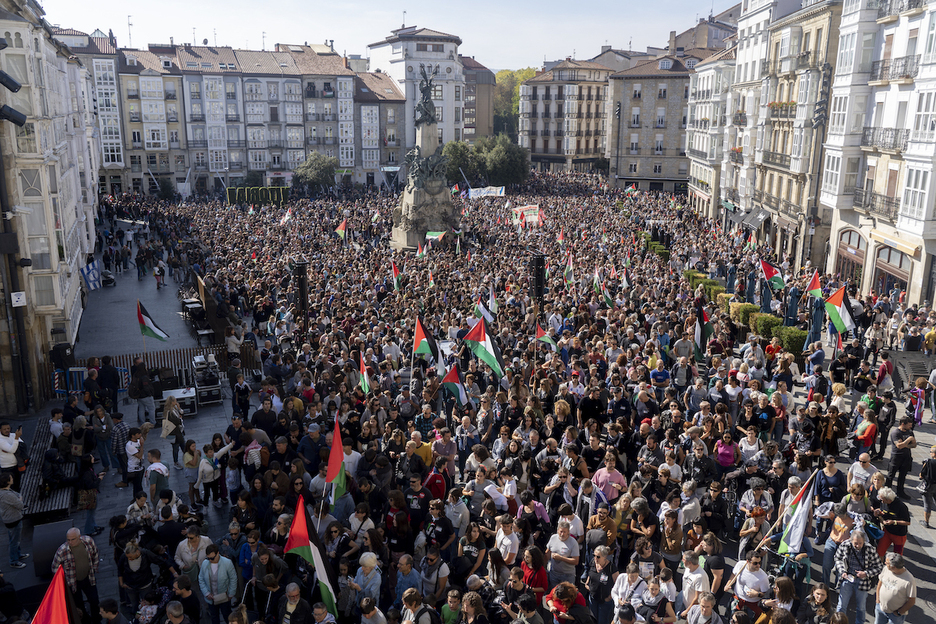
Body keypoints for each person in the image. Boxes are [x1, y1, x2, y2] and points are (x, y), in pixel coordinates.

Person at [833, 529, 883, 624]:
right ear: (850, 540)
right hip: (847, 578)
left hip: (863, 581)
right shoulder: (845, 545)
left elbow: (879, 566)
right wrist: (842, 571)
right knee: (841, 605)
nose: (858, 546)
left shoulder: (870, 549)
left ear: (864, 541)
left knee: (861, 607)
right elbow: (837, 558)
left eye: (860, 543)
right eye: (855, 543)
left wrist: (866, 573)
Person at [52, 528, 101, 624]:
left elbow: (95, 554)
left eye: (73, 539)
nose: (70, 542)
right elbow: (54, 568)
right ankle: (86, 621)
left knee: (94, 600)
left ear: (79, 537)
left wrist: (94, 567)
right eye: (68, 539)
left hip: (88, 578)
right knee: (78, 604)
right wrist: (64, 582)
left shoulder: (88, 541)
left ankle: (97, 620)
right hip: (73, 583)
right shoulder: (62, 551)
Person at [198, 544, 237, 624]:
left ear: (218, 553)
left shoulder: (227, 563)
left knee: (228, 616)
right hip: (211, 598)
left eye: (212, 558)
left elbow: (233, 579)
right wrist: (206, 593)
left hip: (224, 597)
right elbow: (201, 578)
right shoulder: (205, 563)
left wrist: (231, 593)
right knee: (214, 618)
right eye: (208, 558)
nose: (210, 560)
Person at [725, 550, 769, 618]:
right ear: (748, 561)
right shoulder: (740, 565)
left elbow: (767, 594)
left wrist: (757, 594)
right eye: (755, 563)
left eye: (760, 562)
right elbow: (734, 575)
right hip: (737, 598)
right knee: (732, 619)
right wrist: (728, 584)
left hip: (752, 604)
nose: (758, 565)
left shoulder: (763, 577)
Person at [875, 553, 916, 624]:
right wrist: (878, 600)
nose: (885, 563)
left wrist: (899, 612)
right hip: (880, 608)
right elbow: (880, 584)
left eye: (887, 563)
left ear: (893, 567)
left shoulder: (909, 580)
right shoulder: (886, 569)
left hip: (895, 615)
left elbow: (911, 601)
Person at [874, 487, 911, 558]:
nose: (881, 501)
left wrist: (894, 522)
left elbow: (907, 522)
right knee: (879, 552)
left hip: (899, 535)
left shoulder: (901, 506)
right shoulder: (883, 502)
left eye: (882, 499)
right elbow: (883, 512)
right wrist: (879, 514)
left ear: (888, 500)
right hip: (887, 532)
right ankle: (880, 567)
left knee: (896, 557)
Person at [0, 473, 26, 569]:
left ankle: (18, 555)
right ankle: (14, 561)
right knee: (14, 541)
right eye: (10, 478)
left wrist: (18, 499)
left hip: (9, 519)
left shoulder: (5, 491)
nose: (12, 478)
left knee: (15, 539)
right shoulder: (7, 495)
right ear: (7, 482)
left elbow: (17, 495)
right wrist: (20, 500)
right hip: (13, 519)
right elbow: (20, 505)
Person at [886, 418, 916, 498]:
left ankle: (900, 492)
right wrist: (909, 439)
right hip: (896, 456)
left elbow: (914, 445)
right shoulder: (895, 433)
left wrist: (904, 443)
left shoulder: (910, 432)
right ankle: (887, 492)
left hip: (906, 456)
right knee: (891, 475)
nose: (911, 426)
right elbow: (898, 446)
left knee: (903, 475)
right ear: (903, 424)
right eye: (909, 425)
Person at [545, 519, 580, 586]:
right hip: (554, 574)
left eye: (564, 532)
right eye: (561, 531)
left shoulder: (573, 542)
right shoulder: (553, 538)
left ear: (568, 532)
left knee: (567, 595)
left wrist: (561, 558)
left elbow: (576, 561)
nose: (562, 534)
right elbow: (547, 553)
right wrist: (543, 567)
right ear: (557, 530)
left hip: (568, 575)